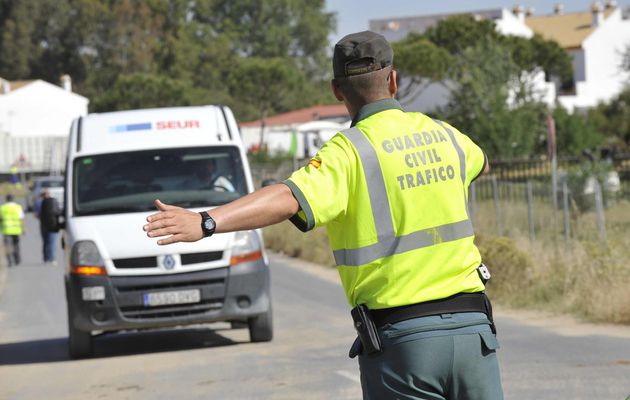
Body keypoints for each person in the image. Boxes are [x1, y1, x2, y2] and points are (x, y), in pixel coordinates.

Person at [143, 31, 501, 399]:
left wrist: (206, 222)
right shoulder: (445, 134)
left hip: (405, 345)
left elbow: (287, 198)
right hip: (474, 333)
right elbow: (481, 163)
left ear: (337, 90)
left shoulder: (348, 152)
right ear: (395, 80)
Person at [36, 189, 60, 264]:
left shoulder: (38, 202)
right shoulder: (53, 202)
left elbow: (37, 214)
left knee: (45, 242)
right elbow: (58, 211)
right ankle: (52, 258)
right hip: (52, 224)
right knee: (52, 242)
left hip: (43, 224)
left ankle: (46, 258)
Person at [1, 194, 25, 267]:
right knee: (16, 245)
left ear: (6, 199)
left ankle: (9, 261)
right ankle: (17, 260)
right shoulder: (18, 207)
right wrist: (23, 229)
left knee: (8, 246)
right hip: (16, 230)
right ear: (13, 199)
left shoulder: (2, 208)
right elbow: (21, 219)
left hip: (6, 230)